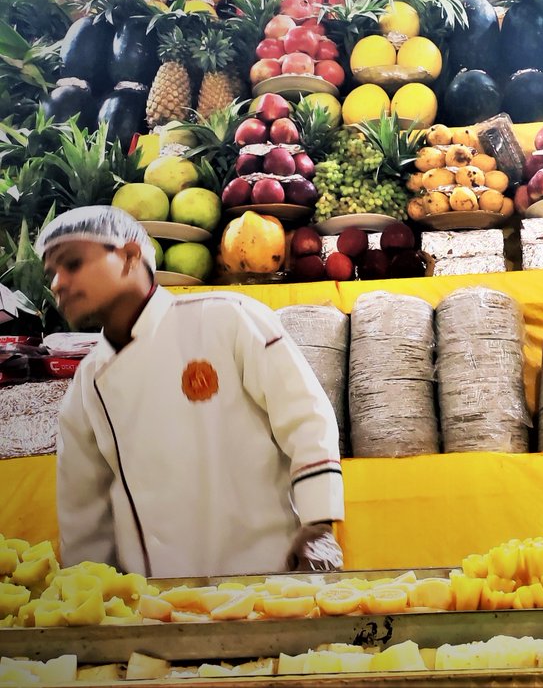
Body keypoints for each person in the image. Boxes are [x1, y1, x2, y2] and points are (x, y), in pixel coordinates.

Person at [38, 206, 344, 578]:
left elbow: (306, 419)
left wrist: (318, 525)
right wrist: (93, 598)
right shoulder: (88, 384)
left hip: (271, 585)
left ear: (131, 256)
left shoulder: (228, 317)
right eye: (52, 273)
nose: (58, 283)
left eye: (72, 264)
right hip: (160, 609)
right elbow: (84, 514)